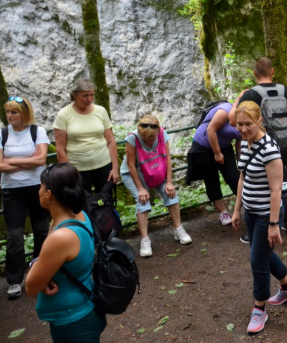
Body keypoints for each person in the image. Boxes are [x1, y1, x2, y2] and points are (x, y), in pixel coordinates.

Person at [231, 102, 287, 335]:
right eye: (239, 124)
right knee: (263, 253)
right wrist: (236, 210)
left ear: (259, 121)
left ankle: (259, 307)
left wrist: (273, 225)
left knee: (257, 260)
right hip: (251, 211)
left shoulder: (270, 150)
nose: (243, 129)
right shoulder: (244, 142)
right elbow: (243, 178)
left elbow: (275, 190)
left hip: (266, 214)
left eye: (248, 124)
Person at [26, 163, 106, 343]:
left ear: (49, 194)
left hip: (73, 321)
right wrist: (44, 274)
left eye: (41, 186)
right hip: (86, 308)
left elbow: (30, 287)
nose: (39, 190)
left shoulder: (60, 237)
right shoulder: (78, 216)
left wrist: (38, 273)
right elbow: (55, 261)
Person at [230, 57, 287, 236]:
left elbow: (233, 120)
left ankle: (263, 225)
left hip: (262, 148)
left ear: (254, 73)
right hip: (285, 145)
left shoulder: (251, 95)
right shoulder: (284, 90)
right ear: (272, 72)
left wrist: (238, 98)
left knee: (264, 185)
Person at [119, 114, 192, 258]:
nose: (149, 141)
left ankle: (178, 229)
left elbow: (168, 157)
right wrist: (140, 188)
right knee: (143, 200)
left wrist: (169, 182)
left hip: (154, 167)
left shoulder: (162, 134)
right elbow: (131, 166)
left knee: (170, 193)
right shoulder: (132, 139)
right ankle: (144, 239)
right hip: (135, 172)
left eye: (152, 138)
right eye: (146, 139)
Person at [1, 96, 49, 299]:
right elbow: (0, 166)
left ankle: (38, 271)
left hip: (37, 188)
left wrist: (12, 162)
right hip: (12, 190)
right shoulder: (2, 133)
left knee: (41, 230)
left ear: (24, 113)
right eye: (7, 112)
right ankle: (14, 280)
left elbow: (42, 160)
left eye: (14, 112)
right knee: (14, 236)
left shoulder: (37, 131)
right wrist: (29, 160)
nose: (9, 115)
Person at [53, 79, 119, 193]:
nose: (89, 99)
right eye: (85, 96)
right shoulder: (63, 115)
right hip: (77, 169)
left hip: (103, 164)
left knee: (105, 202)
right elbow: (60, 149)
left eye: (92, 95)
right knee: (81, 204)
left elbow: (111, 141)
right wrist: (69, 174)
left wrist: (115, 168)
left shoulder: (101, 111)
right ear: (75, 95)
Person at [186, 101, 241, 226]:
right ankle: (223, 212)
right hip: (203, 147)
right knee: (211, 179)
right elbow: (211, 129)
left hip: (225, 147)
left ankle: (246, 206)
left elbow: (239, 139)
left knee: (234, 177)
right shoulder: (225, 110)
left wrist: (240, 162)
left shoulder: (246, 116)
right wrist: (217, 153)